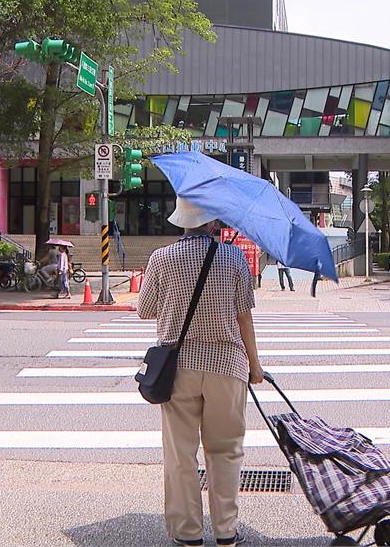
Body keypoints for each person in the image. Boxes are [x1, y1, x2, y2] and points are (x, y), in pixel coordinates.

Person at [138, 196, 264, 547]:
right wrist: (255, 366)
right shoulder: (234, 257)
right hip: (227, 366)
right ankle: (225, 530)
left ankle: (188, 532)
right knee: (225, 451)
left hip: (178, 368)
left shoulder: (161, 259)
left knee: (180, 454)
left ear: (181, 221)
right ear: (212, 223)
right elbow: (244, 317)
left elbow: (144, 311)